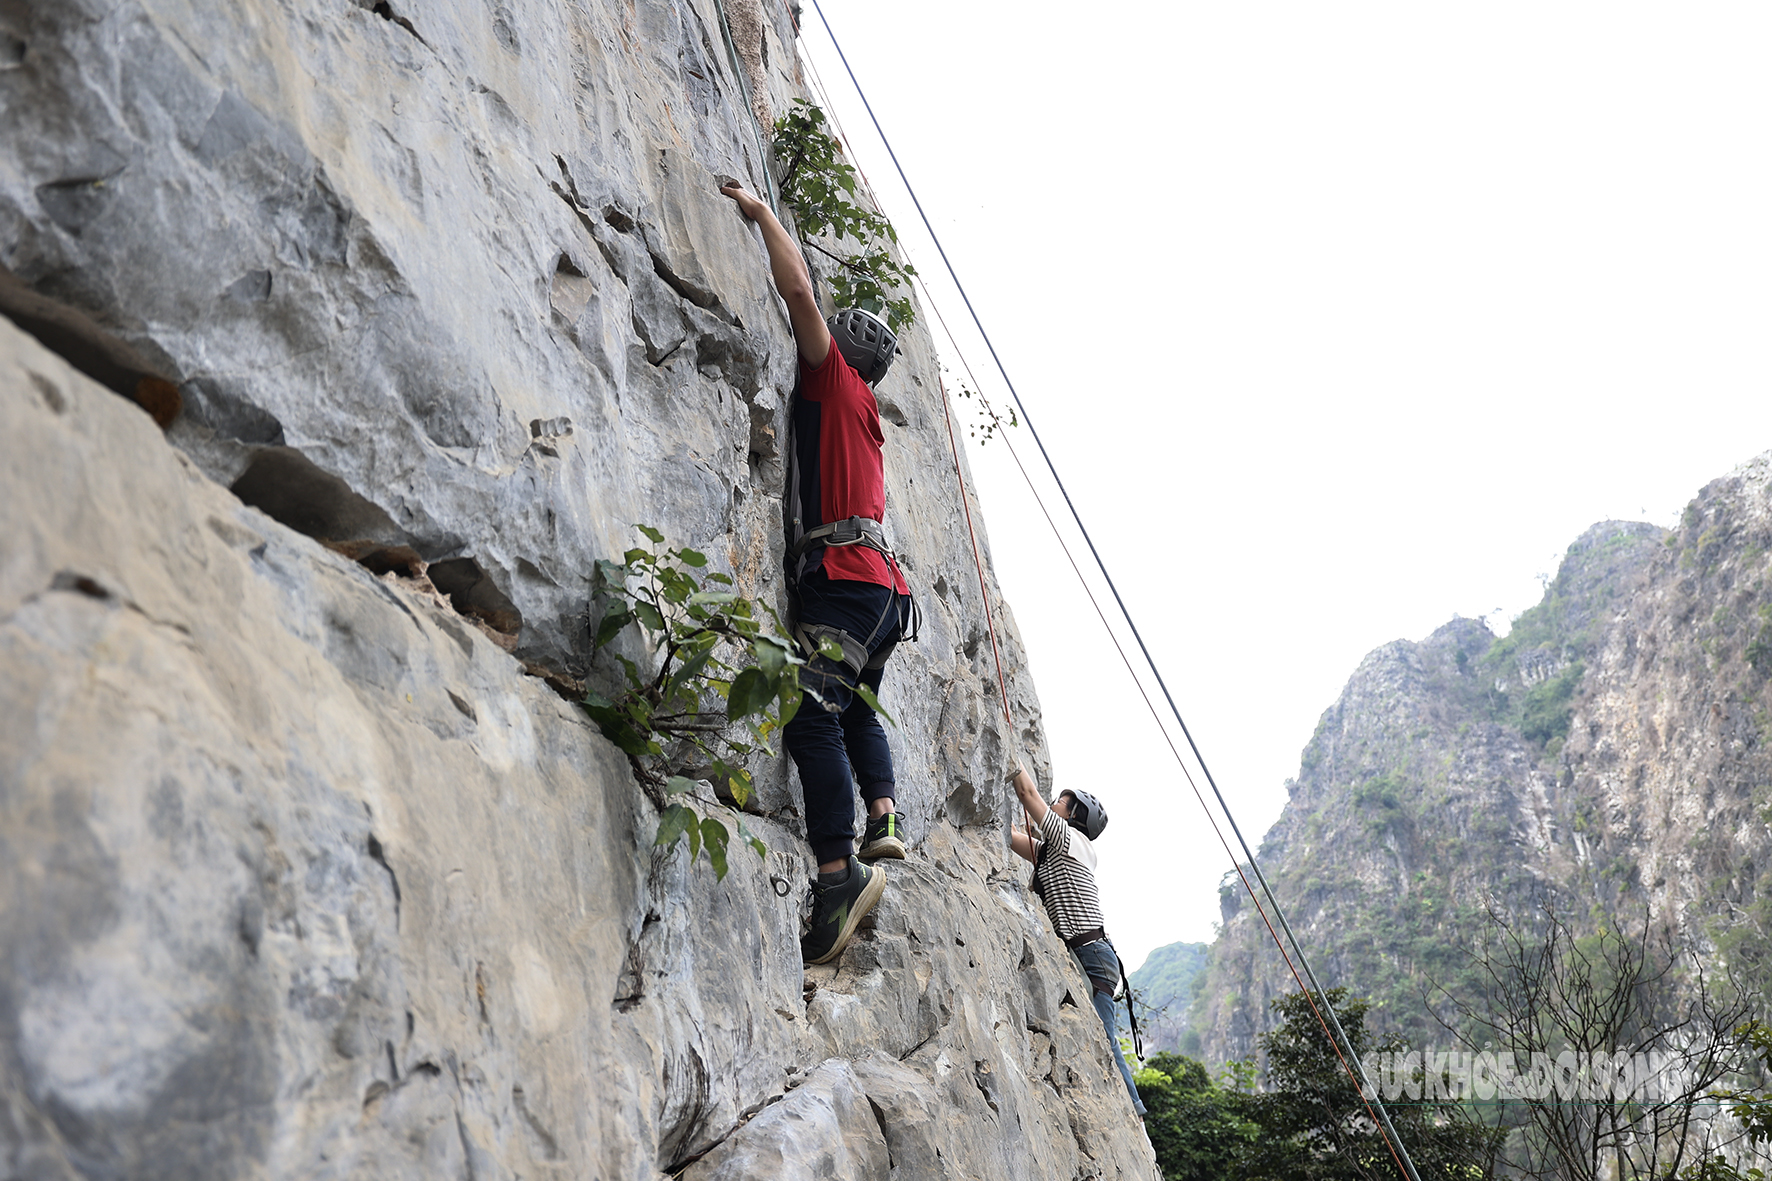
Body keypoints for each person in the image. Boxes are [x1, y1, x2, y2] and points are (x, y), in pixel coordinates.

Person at [721, 180, 914, 966]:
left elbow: (796, 288)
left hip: (847, 574)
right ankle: (883, 817)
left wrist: (763, 213)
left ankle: (837, 870)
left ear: (845, 349)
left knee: (806, 711)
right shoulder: (865, 411)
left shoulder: (832, 380)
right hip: (885, 591)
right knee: (853, 705)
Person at [1009, 764, 1148, 1119]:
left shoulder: (1074, 842)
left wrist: (1012, 761)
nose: (1054, 804)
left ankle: (1134, 1109)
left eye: (1062, 803)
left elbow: (1028, 796)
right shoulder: (1053, 851)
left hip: (1093, 955)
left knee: (1105, 1039)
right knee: (1097, 1035)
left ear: (1075, 817)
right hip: (1090, 953)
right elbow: (1009, 837)